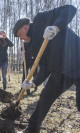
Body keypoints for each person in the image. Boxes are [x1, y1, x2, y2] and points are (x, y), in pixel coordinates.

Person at [13, 5, 80, 133]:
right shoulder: (32, 47)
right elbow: (45, 67)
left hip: (78, 59)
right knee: (45, 97)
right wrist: (34, 83)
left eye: (19, 34)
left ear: (24, 27)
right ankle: (32, 129)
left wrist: (56, 27)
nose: (20, 38)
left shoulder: (41, 19)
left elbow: (70, 9)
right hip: (60, 72)